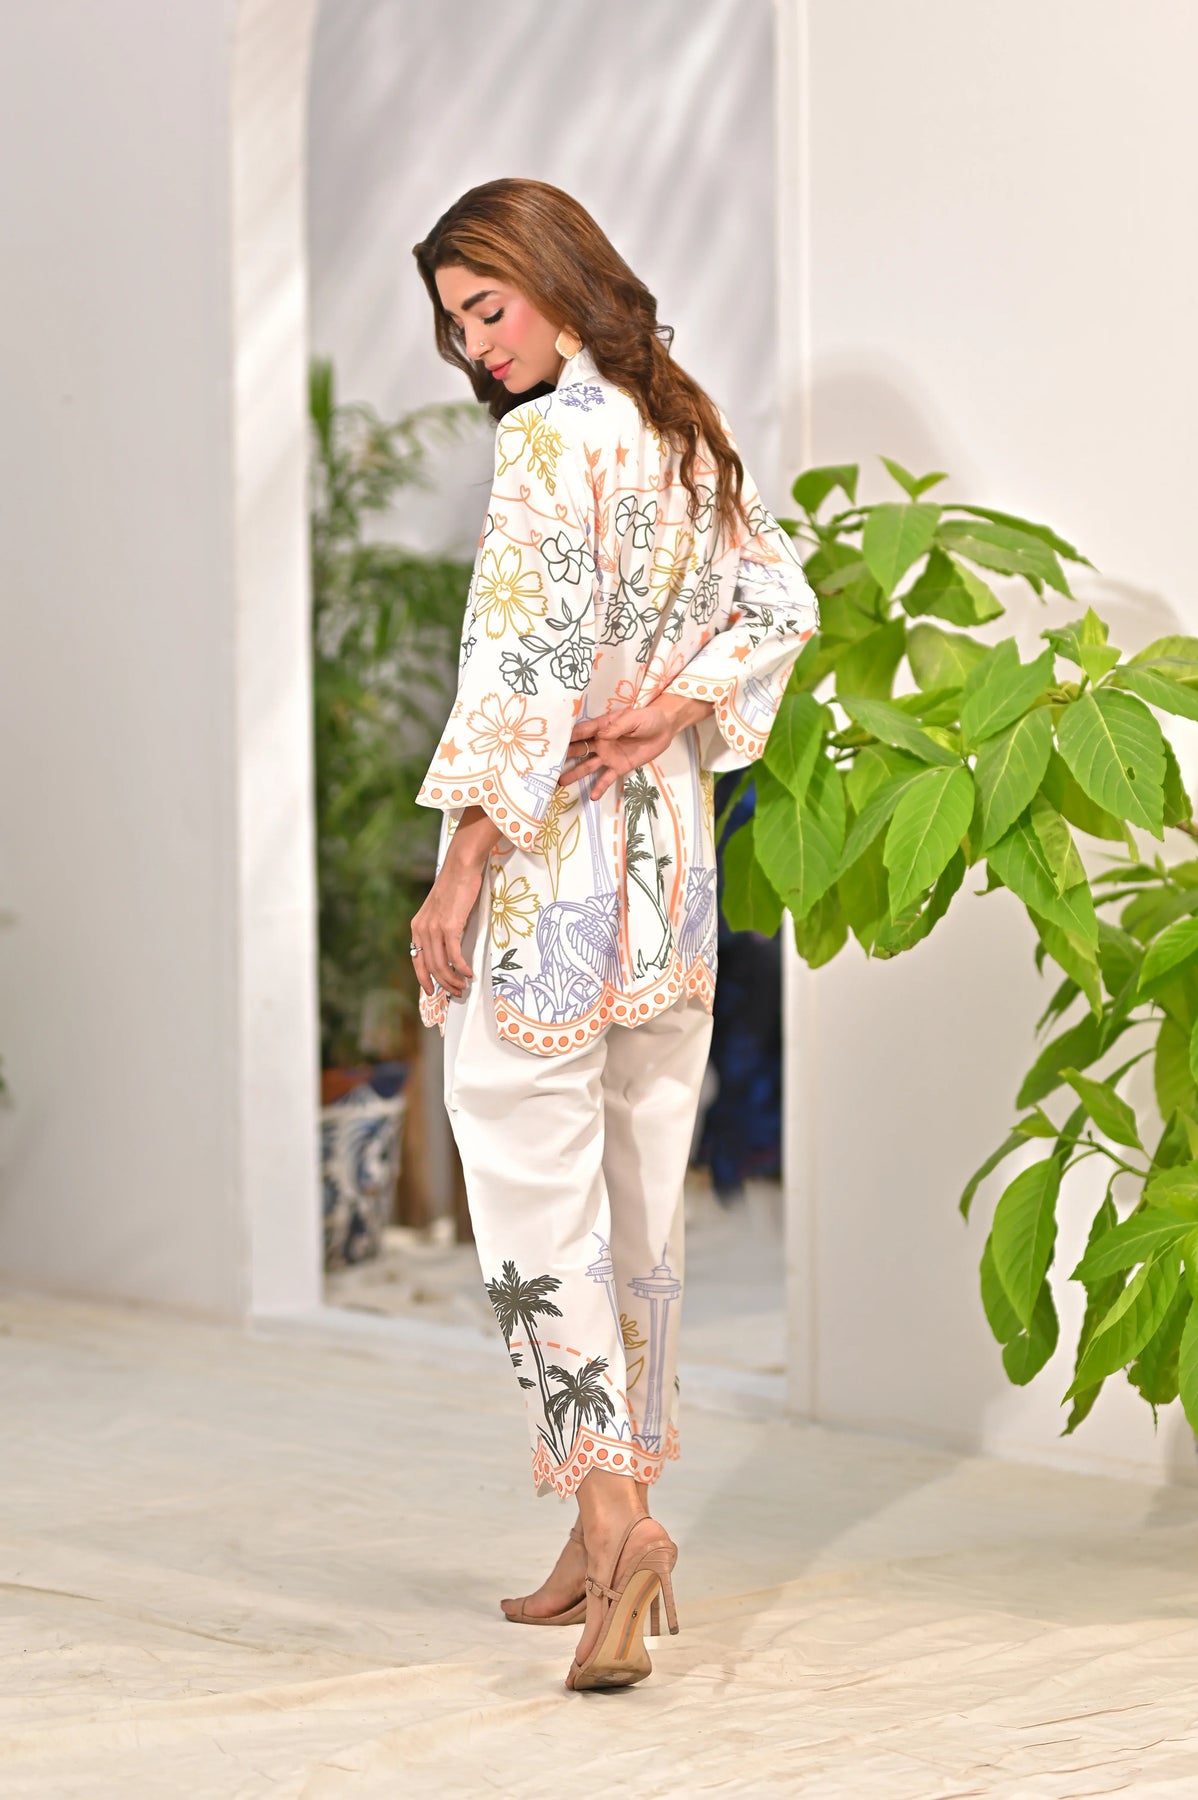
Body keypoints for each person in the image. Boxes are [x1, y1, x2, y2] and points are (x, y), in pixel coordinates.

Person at [409, 178, 818, 1691]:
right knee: (640, 1202)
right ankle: (608, 1540)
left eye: (487, 307)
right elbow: (782, 604)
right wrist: (674, 708)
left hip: (547, 871)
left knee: (532, 1191)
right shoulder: (684, 432)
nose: (478, 346)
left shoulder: (550, 440)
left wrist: (459, 871)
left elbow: (515, 674)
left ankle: (614, 1518)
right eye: (457, 326)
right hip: (668, 873)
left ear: (553, 276)